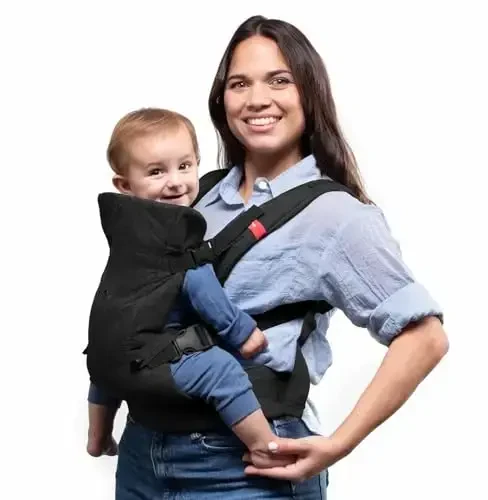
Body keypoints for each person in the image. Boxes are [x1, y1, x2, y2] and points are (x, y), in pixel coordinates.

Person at [108, 15, 448, 499]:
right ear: (222, 100)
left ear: (309, 92)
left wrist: (340, 444)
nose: (257, 99)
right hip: (143, 451)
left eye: (279, 80)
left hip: (242, 467)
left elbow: (425, 337)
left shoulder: (334, 215)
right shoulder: (194, 196)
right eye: (239, 84)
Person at [86, 107, 288, 466]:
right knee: (221, 370)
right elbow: (202, 288)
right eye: (156, 172)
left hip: (104, 358)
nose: (176, 182)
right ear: (124, 185)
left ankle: (97, 436)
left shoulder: (126, 227)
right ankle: (262, 446)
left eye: (184, 166)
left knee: (107, 367)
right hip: (147, 359)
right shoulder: (173, 235)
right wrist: (242, 332)